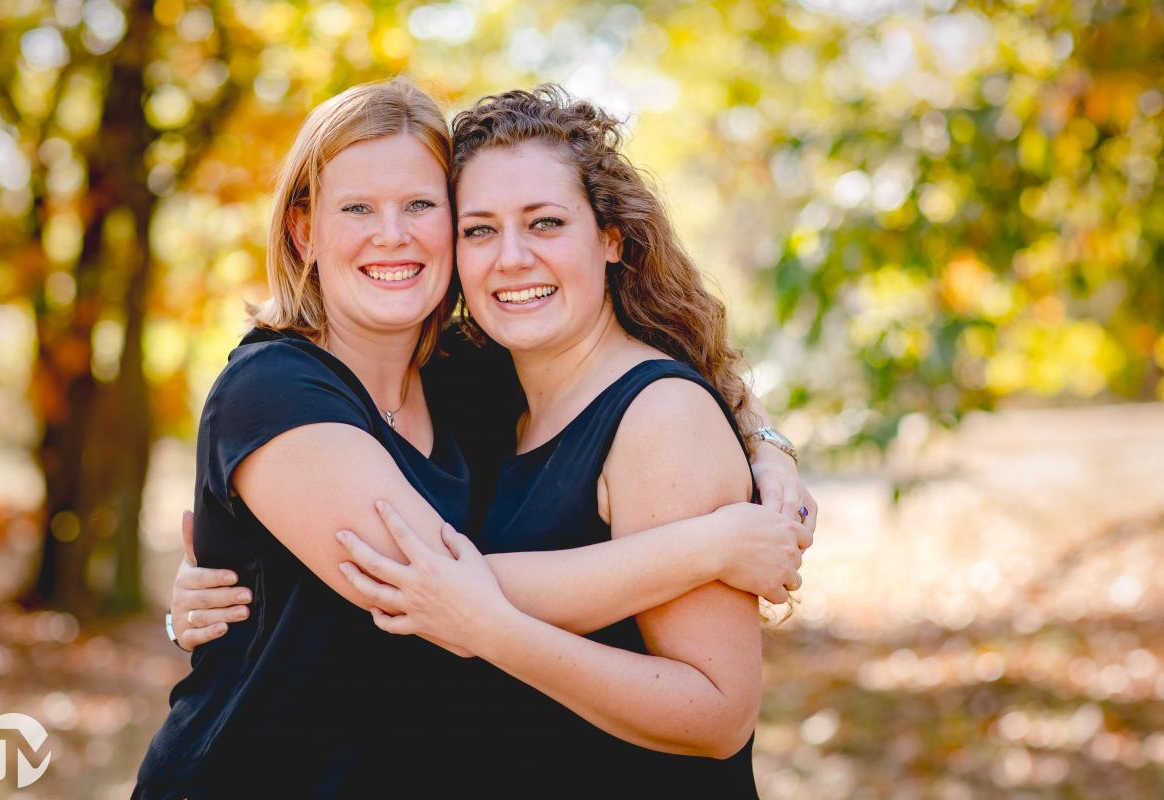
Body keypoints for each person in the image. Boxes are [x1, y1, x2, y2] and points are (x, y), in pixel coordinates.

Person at [147, 79, 815, 799]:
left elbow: (664, 395)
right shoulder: (274, 389)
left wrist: (767, 445)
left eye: (423, 207)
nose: (393, 235)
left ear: (613, 235)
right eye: (357, 209)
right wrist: (709, 545)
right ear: (304, 232)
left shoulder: (470, 380)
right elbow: (417, 582)